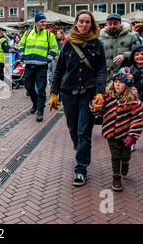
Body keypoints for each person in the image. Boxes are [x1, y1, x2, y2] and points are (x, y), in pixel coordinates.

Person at [50, 10, 107, 187]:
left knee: (84, 132)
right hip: (68, 93)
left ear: (92, 24)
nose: (84, 25)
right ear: (76, 23)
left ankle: (81, 169)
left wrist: (99, 92)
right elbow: (58, 70)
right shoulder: (67, 45)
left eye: (87, 22)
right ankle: (80, 149)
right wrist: (54, 92)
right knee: (73, 129)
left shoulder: (97, 44)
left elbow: (101, 70)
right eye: (81, 22)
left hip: (88, 93)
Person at [91, 67, 143, 191]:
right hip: (111, 133)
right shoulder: (108, 96)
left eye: (120, 82)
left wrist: (132, 135)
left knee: (125, 155)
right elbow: (99, 112)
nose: (117, 84)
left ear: (127, 84)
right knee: (115, 156)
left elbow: (138, 118)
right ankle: (116, 177)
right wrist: (96, 105)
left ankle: (125, 162)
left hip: (126, 134)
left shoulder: (133, 100)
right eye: (115, 81)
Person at [19, 12, 58, 122]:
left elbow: (54, 49)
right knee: (28, 86)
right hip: (29, 65)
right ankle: (35, 103)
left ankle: (40, 110)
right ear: (36, 22)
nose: (44, 23)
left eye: (45, 21)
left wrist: (48, 59)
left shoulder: (49, 35)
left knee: (41, 89)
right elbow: (21, 46)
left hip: (41, 66)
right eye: (42, 22)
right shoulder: (27, 34)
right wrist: (22, 56)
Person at [99, 13, 139, 83]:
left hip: (125, 74)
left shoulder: (131, 36)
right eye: (110, 23)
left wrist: (125, 55)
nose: (112, 26)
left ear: (120, 23)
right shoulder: (101, 39)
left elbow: (139, 52)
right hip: (107, 76)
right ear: (106, 24)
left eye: (115, 23)